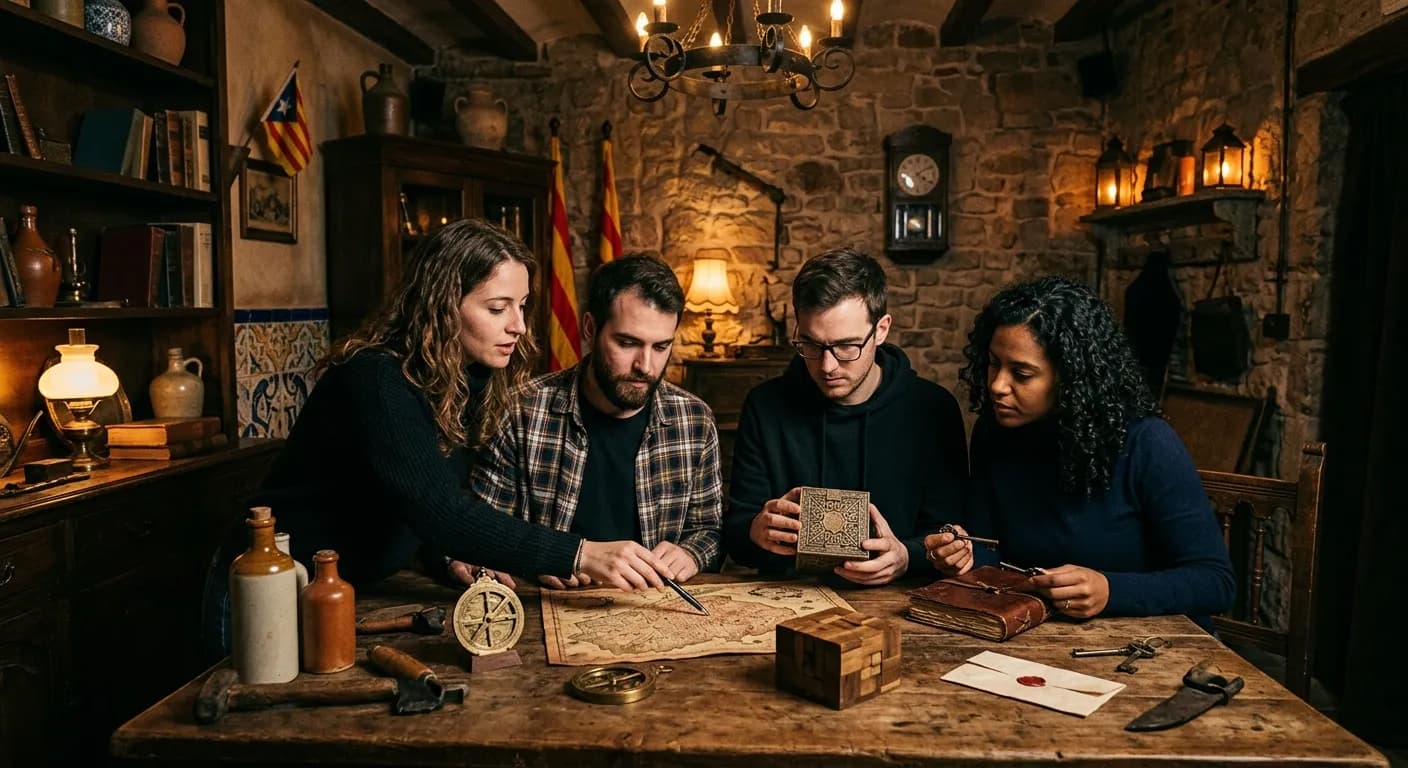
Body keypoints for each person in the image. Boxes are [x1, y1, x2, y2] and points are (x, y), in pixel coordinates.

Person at [201, 220, 677, 658]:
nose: (518, 325)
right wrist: (581, 552)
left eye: (522, 305)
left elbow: (413, 498)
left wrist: (450, 559)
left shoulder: (472, 377)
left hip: (345, 588)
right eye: (497, 307)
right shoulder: (377, 379)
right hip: (271, 583)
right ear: (445, 304)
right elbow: (440, 509)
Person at [926, 275, 1234, 631]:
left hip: (1149, 644)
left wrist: (1111, 590)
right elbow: (990, 548)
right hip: (1037, 636)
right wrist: (961, 556)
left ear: (1070, 378)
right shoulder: (993, 433)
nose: (996, 385)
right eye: (994, 363)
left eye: (1022, 374)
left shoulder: (1146, 443)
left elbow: (1216, 583)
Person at [471, 255, 722, 588]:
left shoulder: (695, 420)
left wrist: (691, 553)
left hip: (654, 609)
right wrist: (538, 558)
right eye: (627, 343)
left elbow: (710, 530)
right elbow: (480, 525)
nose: (645, 366)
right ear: (590, 328)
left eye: (661, 346)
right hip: (547, 604)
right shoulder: (522, 408)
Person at [722, 248, 968, 586]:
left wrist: (907, 556)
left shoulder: (933, 409)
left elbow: (950, 537)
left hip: (899, 600)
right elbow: (737, 538)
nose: (827, 366)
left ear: (881, 330)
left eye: (846, 347)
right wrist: (754, 530)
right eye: (810, 345)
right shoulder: (765, 406)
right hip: (786, 596)